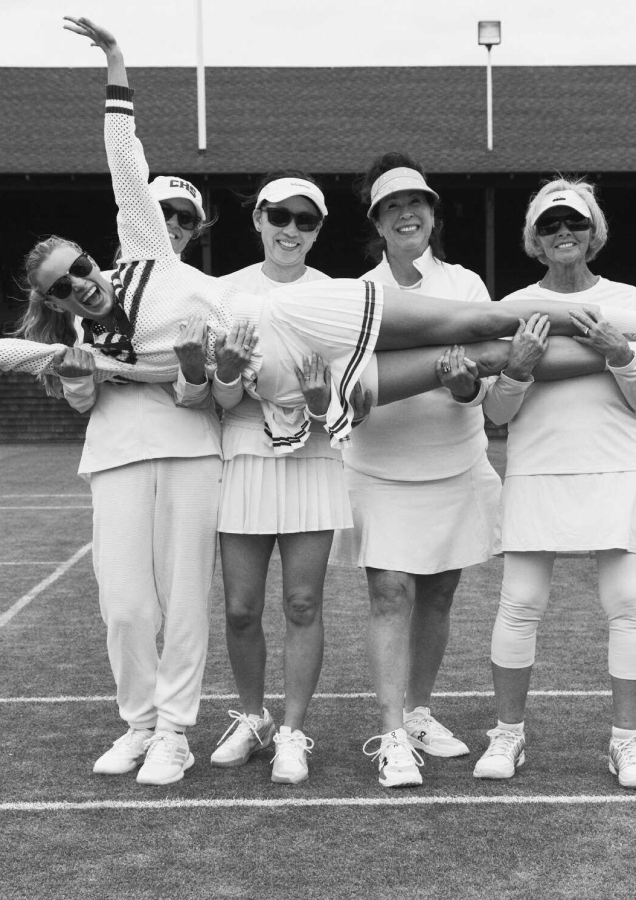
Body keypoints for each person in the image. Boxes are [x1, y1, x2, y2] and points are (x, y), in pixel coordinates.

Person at [2, 24, 636, 447]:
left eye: (80, 265)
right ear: (52, 301)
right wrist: (118, 365)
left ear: (95, 256)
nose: (80, 283)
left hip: (298, 313)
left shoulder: (143, 256)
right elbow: (39, 358)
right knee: (489, 356)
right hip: (280, 373)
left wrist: (115, 65)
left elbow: (124, 165)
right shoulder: (91, 351)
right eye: (61, 286)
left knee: (484, 319)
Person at [13, 176, 223, 787]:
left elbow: (205, 389)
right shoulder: (88, 306)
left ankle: (174, 733)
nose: (172, 224)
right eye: (60, 285)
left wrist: (183, 372)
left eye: (183, 216)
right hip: (114, 458)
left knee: (184, 601)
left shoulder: (199, 292)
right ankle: (140, 724)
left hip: (190, 451)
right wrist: (82, 377)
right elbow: (83, 401)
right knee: (125, 607)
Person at [474, 177, 636, 790]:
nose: (563, 232)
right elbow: (496, 414)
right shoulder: (514, 305)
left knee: (628, 606)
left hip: (615, 470)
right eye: (550, 225)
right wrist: (517, 369)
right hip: (537, 472)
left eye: (575, 223)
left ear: (594, 233)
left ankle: (626, 743)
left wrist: (622, 352)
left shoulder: (628, 302)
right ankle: (508, 733)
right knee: (519, 605)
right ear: (534, 239)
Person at [331, 154, 505, 787]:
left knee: (438, 593)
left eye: (416, 203)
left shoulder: (466, 286)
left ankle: (418, 711)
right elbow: (350, 391)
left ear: (432, 215)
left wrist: (464, 387)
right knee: (390, 593)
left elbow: (484, 386)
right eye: (392, 207)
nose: (406, 214)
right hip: (379, 469)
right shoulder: (357, 295)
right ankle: (392, 735)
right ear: (378, 222)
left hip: (455, 464)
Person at [205, 172, 357, 784]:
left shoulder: (336, 296)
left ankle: (292, 731)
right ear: (258, 220)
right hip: (244, 452)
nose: (291, 229)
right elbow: (220, 399)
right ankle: (253, 718)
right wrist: (227, 373)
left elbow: (349, 397)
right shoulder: (224, 293)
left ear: (318, 231)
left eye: (305, 220)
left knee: (302, 602)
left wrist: (320, 403)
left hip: (313, 457)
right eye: (280, 216)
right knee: (241, 609)